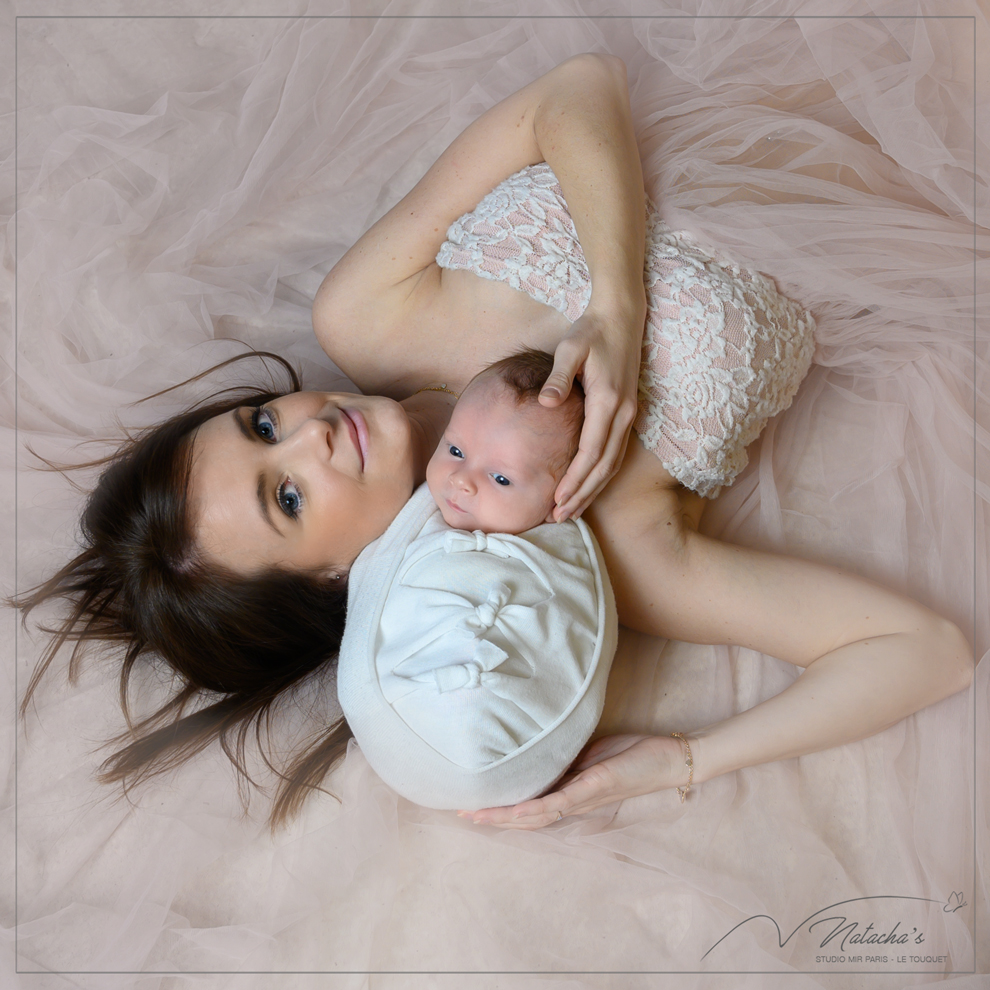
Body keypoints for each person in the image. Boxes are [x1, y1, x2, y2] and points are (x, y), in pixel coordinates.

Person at [18, 53, 973, 832]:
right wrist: (681, 762)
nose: (308, 433)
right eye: (288, 497)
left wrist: (615, 308)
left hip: (803, 59)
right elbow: (927, 649)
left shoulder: (366, 318)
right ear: (334, 581)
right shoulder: (616, 550)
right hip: (941, 182)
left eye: (262, 426)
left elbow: (575, 89)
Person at [426, 349, 585, 535]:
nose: (460, 479)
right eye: (455, 451)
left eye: (501, 479)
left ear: (560, 502)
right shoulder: (420, 503)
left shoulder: (531, 559)